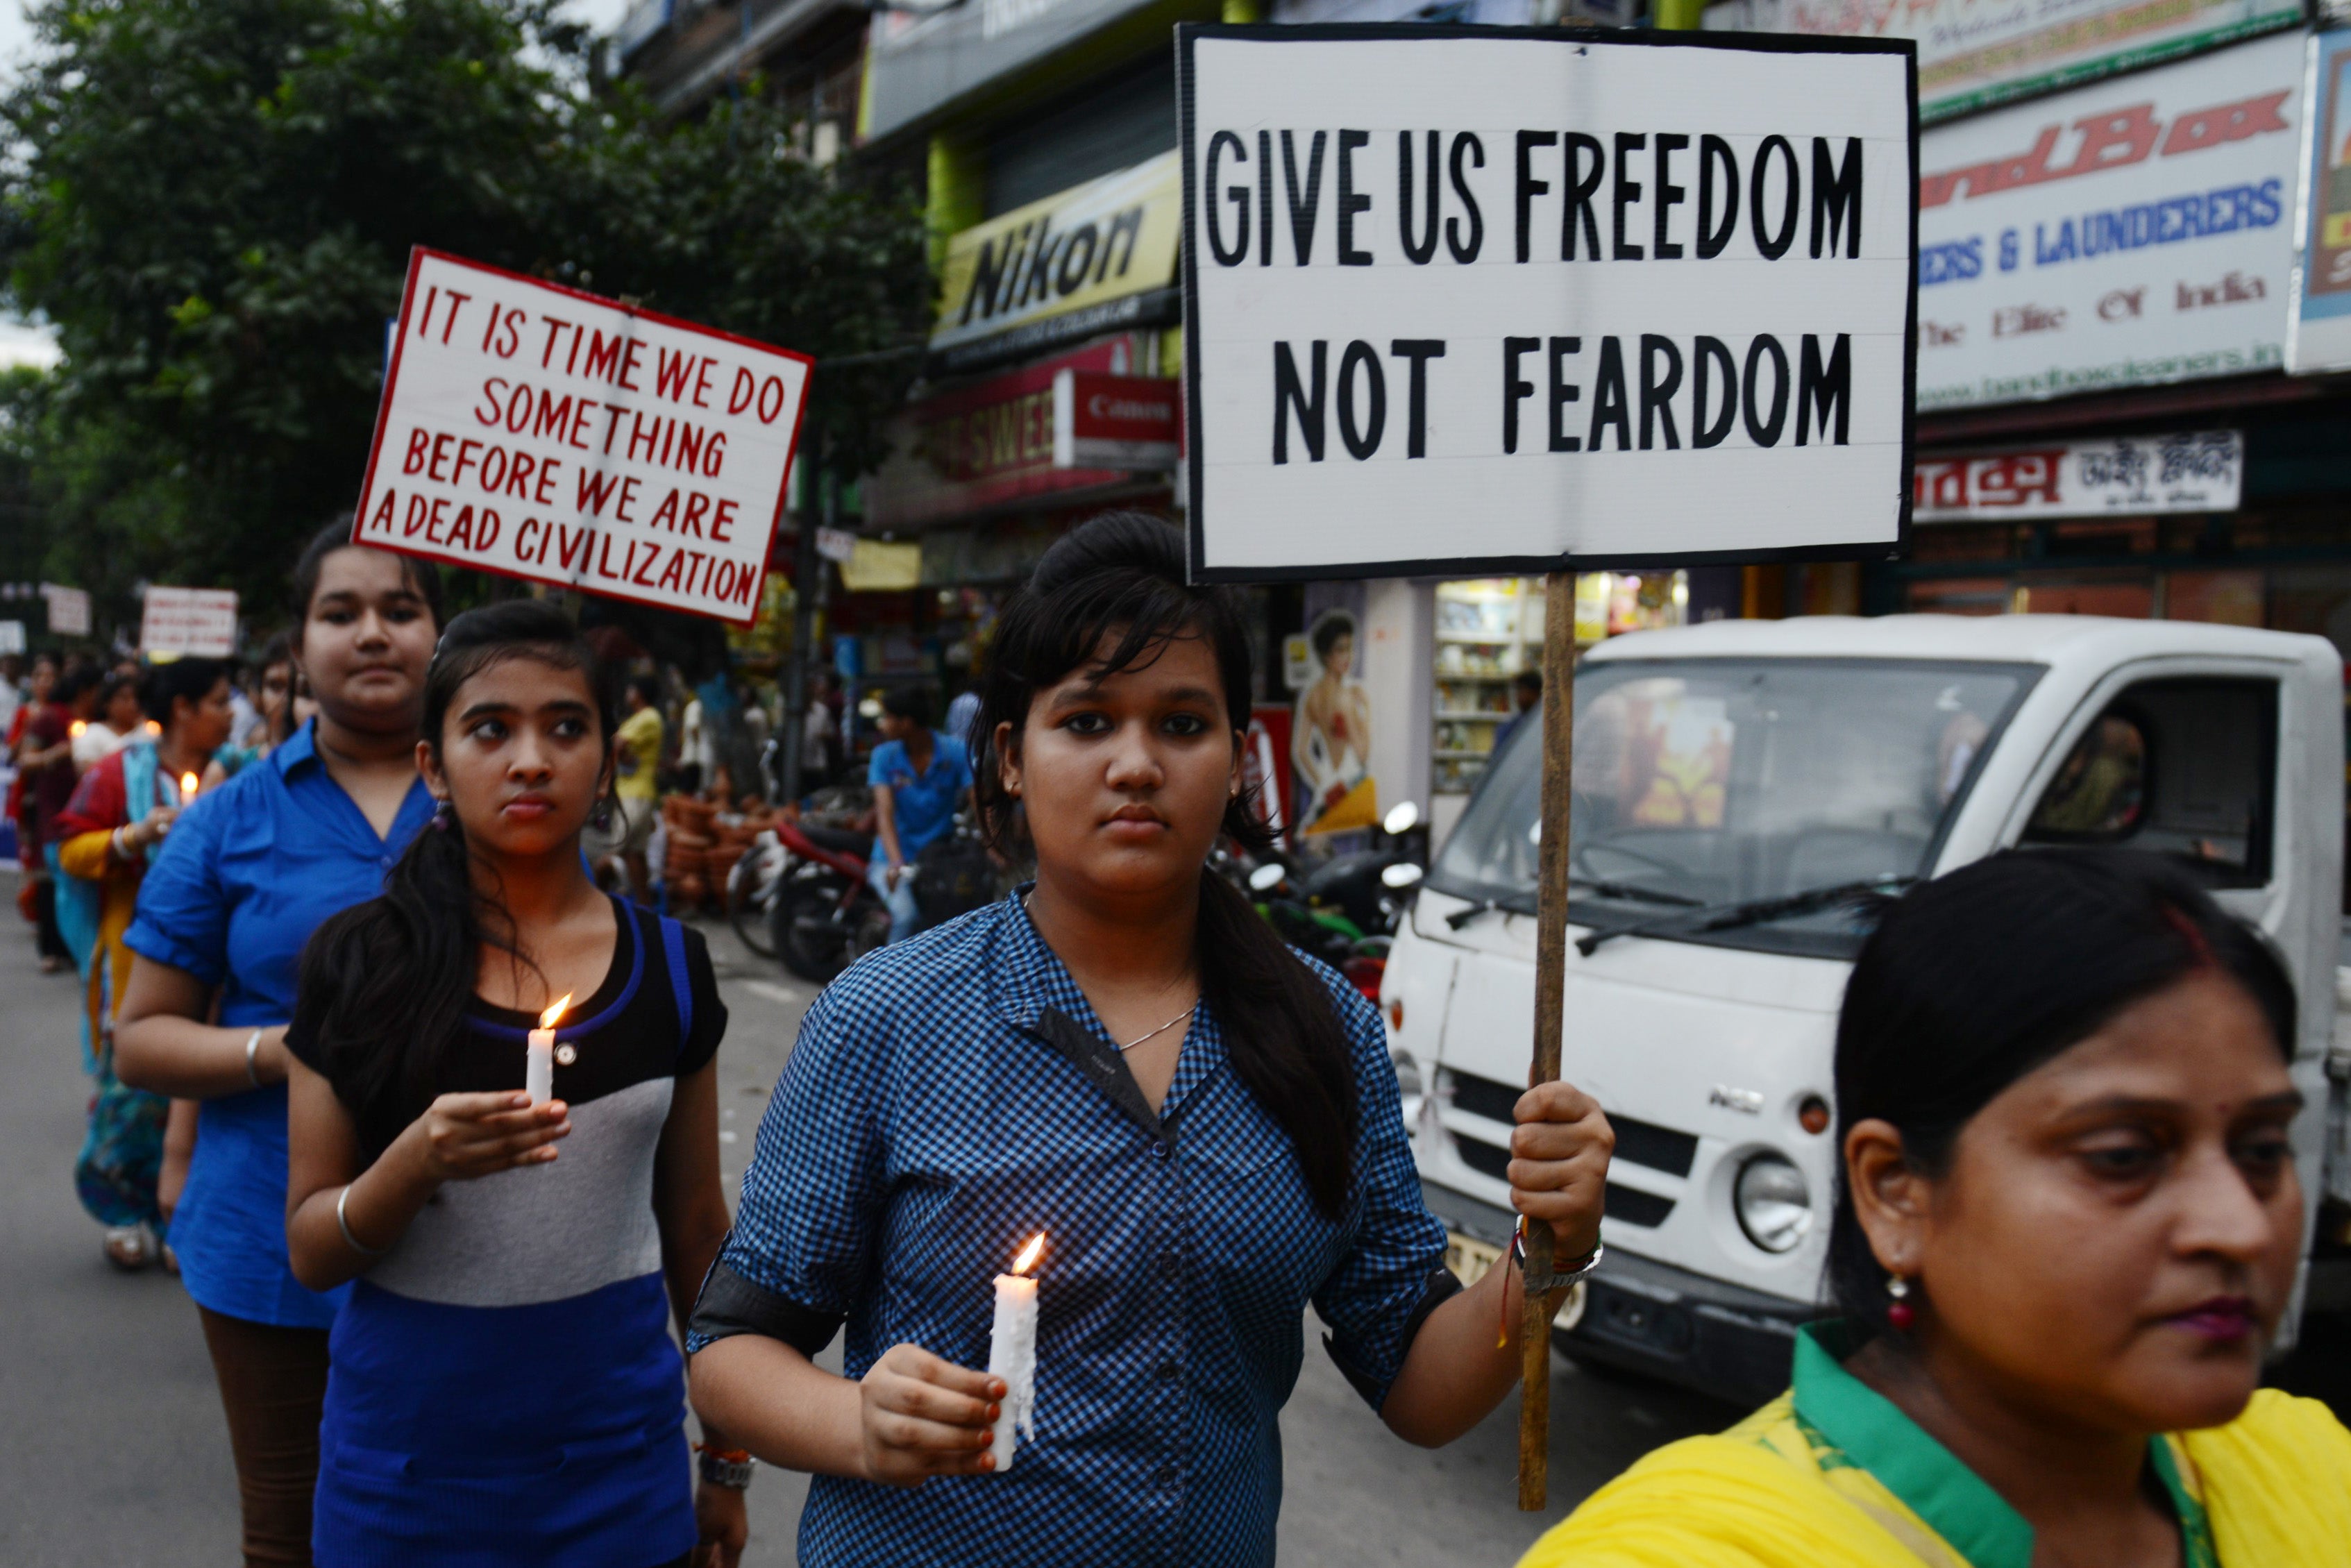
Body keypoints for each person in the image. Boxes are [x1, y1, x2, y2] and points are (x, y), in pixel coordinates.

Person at [685, 513, 1615, 1566]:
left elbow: (1417, 1380)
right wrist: (855, 1419)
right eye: (1085, 721)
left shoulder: (1326, 1031)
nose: (1134, 762)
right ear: (1009, 757)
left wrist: (1547, 1248)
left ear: (1232, 760)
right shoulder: (885, 1016)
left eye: (1180, 723)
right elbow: (730, 1350)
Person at [1519, 849, 2351, 1568]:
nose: (2240, 1226)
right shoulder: (1688, 1550)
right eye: (2124, 1158)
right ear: (1895, 1191)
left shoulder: (2308, 1464)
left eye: (2262, 1152)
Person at [282, 601, 745, 1568]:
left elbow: (698, 1231)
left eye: (564, 726)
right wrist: (409, 1164)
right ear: (432, 766)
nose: (530, 758)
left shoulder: (668, 968)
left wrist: (728, 1457)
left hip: (619, 1475)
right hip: (404, 1480)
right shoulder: (359, 965)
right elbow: (313, 1248)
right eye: (490, 727)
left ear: (608, 758)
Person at [117, 521, 442, 1567]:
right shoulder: (230, 818)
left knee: (457, 1520)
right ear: (296, 647)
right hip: (266, 1236)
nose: (374, 633)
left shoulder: (501, 798)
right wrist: (286, 1052)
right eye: (340, 612)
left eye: (400, 608)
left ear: (441, 630)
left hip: (479, 1238)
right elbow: (144, 1037)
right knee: (291, 1526)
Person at [53, 656, 235, 1270]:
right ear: (181, 709)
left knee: (202, 1098)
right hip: (134, 963)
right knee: (131, 1095)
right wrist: (133, 836)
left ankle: (179, 1214)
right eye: (217, 700)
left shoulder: (242, 775)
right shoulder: (117, 774)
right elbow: (70, 849)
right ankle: (127, 1213)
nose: (231, 712)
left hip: (220, 966)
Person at [863, 686, 973, 945]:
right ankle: (888, 982)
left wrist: (996, 847)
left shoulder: (955, 752)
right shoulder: (884, 757)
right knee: (906, 917)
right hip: (890, 859)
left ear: (906, 723)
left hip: (939, 859)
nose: (883, 724)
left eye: (887, 717)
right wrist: (895, 862)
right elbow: (885, 813)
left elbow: (979, 801)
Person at [23, 665, 101, 972]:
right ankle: (51, 948)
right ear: (85, 692)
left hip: (84, 809)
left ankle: (76, 948)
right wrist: (58, 753)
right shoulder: (50, 718)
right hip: (54, 806)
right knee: (50, 879)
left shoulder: (96, 723)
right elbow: (26, 760)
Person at [1292, 607, 1374, 834]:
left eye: (1350, 648)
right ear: (1327, 656)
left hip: (1331, 785)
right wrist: (1365, 709)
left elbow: (1300, 751)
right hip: (1349, 786)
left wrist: (1323, 783)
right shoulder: (1348, 696)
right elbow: (1362, 753)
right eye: (1341, 650)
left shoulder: (1312, 695)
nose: (1348, 656)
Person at [598, 676, 662, 903]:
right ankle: (645, 907)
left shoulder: (648, 718)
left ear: (639, 693)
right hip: (634, 792)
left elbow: (617, 743)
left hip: (635, 794)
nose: (628, 693)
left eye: (631, 689)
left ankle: (592, 902)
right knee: (634, 854)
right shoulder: (639, 719)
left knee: (613, 853)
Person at [75, 671, 146, 768]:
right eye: (124, 699)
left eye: (136, 699)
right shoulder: (92, 733)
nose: (132, 705)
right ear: (107, 704)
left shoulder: (147, 732)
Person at [1496, 669, 1542, 751]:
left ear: (1534, 693)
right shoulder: (1509, 727)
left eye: (1521, 690)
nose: (1517, 696)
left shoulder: (1543, 725)